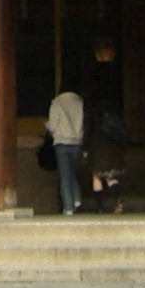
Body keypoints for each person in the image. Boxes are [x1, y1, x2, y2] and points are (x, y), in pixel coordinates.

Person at [48, 86, 86, 216]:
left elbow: (53, 126)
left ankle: (69, 206)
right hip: (77, 142)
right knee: (72, 172)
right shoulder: (80, 103)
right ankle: (77, 198)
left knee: (64, 175)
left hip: (62, 142)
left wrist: (48, 127)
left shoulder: (57, 103)